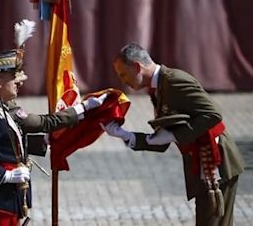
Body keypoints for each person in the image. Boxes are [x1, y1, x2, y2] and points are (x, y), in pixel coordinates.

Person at [101, 43, 245, 226]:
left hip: (217, 160)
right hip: (201, 162)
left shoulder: (174, 81)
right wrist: (125, 135)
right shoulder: (158, 87)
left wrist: (176, 136)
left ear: (137, 67)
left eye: (123, 74)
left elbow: (213, 115)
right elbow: (161, 142)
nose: (123, 81)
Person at [0, 50, 106, 226]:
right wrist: (6, 176)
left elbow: (4, 143)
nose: (19, 81)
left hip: (5, 200)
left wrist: (45, 141)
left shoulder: (2, 107)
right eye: (13, 77)